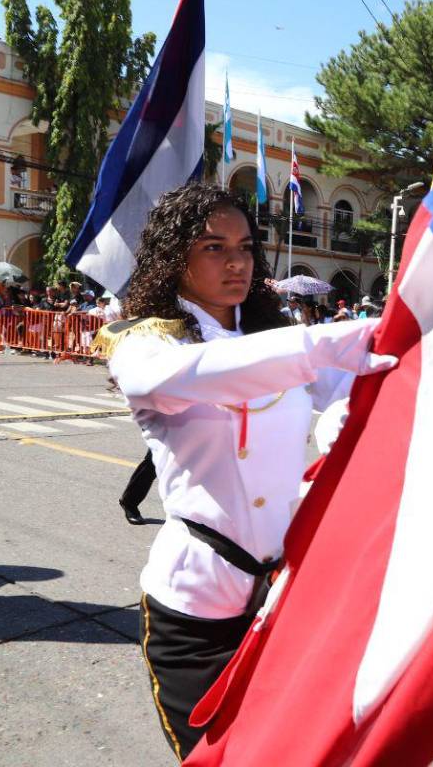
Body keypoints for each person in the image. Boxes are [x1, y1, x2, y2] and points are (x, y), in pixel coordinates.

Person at [99, 183, 395, 760]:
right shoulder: (146, 341)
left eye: (245, 246)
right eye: (213, 247)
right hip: (194, 607)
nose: (236, 261)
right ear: (173, 257)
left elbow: (357, 392)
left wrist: (347, 414)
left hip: (284, 600)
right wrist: (322, 344)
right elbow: (171, 380)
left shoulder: (272, 339)